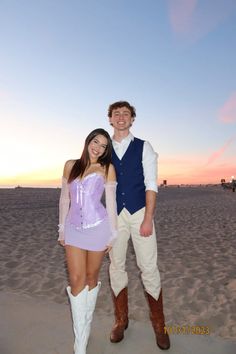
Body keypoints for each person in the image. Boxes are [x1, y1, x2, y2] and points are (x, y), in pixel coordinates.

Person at [107, 101, 170, 350]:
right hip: (114, 216)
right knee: (116, 266)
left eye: (126, 114)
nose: (121, 117)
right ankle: (121, 321)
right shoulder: (103, 148)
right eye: (116, 114)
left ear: (132, 119)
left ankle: (159, 325)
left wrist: (148, 219)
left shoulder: (144, 146)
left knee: (149, 268)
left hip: (140, 213)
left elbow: (151, 184)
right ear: (110, 119)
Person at [57, 128, 118, 354]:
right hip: (73, 229)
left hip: (98, 228)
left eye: (104, 146)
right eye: (96, 142)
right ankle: (80, 342)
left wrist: (113, 233)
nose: (98, 148)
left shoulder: (107, 168)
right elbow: (64, 199)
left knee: (92, 276)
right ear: (88, 141)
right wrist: (62, 229)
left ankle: (86, 327)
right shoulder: (70, 165)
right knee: (76, 280)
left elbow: (110, 203)